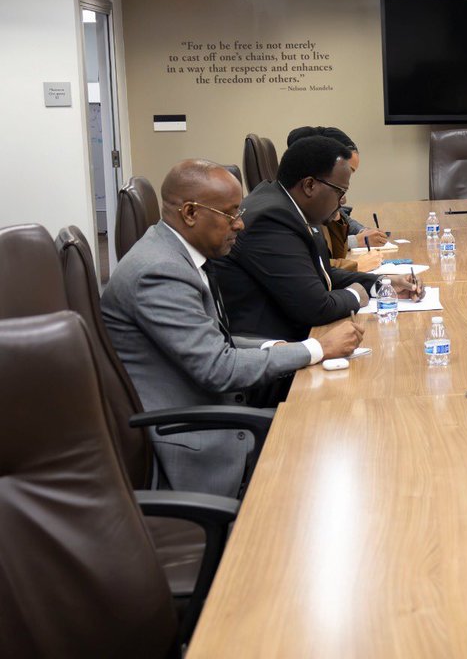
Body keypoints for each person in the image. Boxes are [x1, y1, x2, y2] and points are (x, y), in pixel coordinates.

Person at [100, 159, 365, 497]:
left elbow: (215, 342)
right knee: (332, 451)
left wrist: (277, 347)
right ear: (191, 213)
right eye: (231, 214)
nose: (240, 225)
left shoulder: (176, 253)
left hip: (213, 413)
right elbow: (218, 368)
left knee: (332, 427)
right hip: (194, 445)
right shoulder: (159, 272)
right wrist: (317, 349)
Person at [213, 136, 424, 343]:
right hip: (273, 351)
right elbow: (315, 308)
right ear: (310, 186)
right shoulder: (271, 220)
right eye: (340, 191)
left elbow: (319, 274)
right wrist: (356, 295)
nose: (343, 200)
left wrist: (382, 285)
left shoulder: (287, 205)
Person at [286, 126, 381, 273]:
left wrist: (335, 207)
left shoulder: (320, 201)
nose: (347, 180)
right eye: (348, 170)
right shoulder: (294, 209)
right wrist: (356, 264)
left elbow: (334, 254)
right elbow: (312, 267)